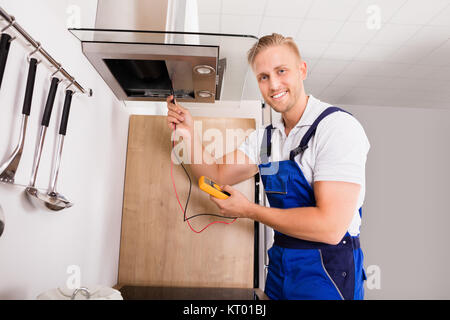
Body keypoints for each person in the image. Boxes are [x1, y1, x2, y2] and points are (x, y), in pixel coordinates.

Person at [166, 33, 370, 300]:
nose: (274, 84)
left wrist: (249, 210)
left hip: (327, 272)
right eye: (263, 77)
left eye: (281, 71)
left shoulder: (336, 128)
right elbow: (216, 173)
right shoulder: (267, 139)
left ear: (302, 70)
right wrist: (188, 133)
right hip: (281, 267)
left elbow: (330, 228)